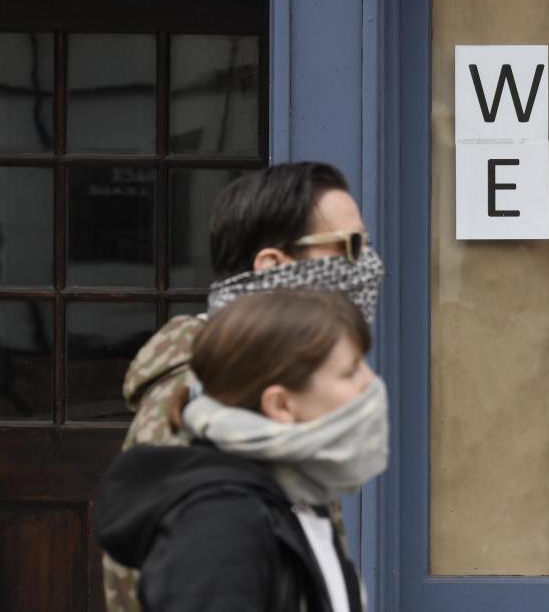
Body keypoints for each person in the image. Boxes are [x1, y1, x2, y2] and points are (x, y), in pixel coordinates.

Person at [103, 162, 384, 612]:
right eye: (350, 247)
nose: (368, 264)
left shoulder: (279, 386)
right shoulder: (197, 405)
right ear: (274, 267)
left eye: (366, 243)